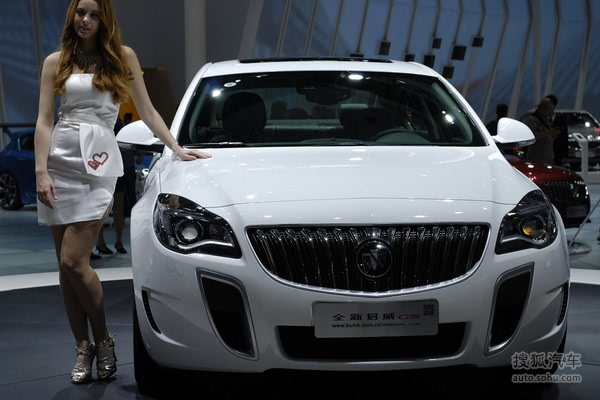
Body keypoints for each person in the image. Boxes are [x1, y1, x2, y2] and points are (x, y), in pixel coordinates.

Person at [34, 0, 211, 384]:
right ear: (71, 15)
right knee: (65, 268)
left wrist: (175, 147)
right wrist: (41, 170)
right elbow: (44, 119)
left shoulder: (122, 57)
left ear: (105, 20)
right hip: (60, 163)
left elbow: (147, 111)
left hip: (98, 164)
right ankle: (82, 346)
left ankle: (103, 339)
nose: (85, 20)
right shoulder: (55, 61)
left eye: (94, 14)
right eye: (80, 13)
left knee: (73, 261)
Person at [95, 114, 139, 256]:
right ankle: (100, 242)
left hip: (119, 169)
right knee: (102, 207)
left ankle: (117, 241)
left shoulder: (121, 124)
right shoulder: (101, 123)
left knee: (118, 206)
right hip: (105, 169)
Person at [521, 96, 561, 165]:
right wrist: (548, 132)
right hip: (536, 157)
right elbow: (532, 136)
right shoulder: (531, 120)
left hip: (547, 157)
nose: (550, 112)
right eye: (549, 109)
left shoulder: (545, 120)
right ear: (543, 108)